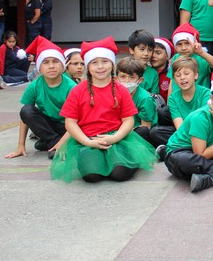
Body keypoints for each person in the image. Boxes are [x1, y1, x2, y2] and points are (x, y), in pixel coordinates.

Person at [50, 36, 157, 183]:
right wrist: (87, 141)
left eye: (105, 61)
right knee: (92, 176)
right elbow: (70, 123)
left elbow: (128, 121)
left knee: (119, 174)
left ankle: (130, 160)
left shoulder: (121, 90)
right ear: (88, 66)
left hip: (117, 139)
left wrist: (115, 138)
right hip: (87, 139)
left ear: (112, 64)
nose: (100, 66)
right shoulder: (77, 91)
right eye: (94, 62)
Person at [4, 36, 76, 159]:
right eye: (46, 62)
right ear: (39, 68)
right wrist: (21, 145)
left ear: (62, 65)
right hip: (49, 125)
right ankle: (54, 142)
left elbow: (78, 120)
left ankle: (55, 143)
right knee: (26, 110)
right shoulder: (35, 85)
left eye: (55, 61)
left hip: (69, 126)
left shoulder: (71, 87)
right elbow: (25, 117)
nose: (51, 66)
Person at [151, 56, 212, 155]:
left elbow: (204, 121)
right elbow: (180, 127)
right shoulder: (173, 98)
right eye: (178, 75)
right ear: (174, 79)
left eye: (186, 73)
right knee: (155, 132)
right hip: (185, 131)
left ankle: (175, 149)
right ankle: (187, 149)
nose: (182, 77)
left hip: (203, 132)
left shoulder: (206, 93)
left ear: (196, 75)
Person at [168, 23, 213, 91]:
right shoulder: (175, 58)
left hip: (199, 96)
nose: (183, 48)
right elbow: (172, 81)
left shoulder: (201, 57)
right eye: (179, 44)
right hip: (178, 96)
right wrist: (170, 98)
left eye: (187, 43)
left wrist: (201, 53)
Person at [116, 57, 158, 143]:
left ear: (140, 80)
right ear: (116, 78)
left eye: (132, 77)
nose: (127, 81)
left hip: (136, 133)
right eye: (123, 77)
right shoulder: (113, 94)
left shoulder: (145, 99)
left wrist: (120, 134)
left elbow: (146, 127)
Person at [128, 29, 159, 95]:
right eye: (142, 49)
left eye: (150, 50)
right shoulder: (123, 69)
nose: (146, 53)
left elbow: (155, 95)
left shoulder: (153, 73)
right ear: (131, 50)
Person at [152, 37, 174, 101]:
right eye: (151, 52)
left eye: (158, 53)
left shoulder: (172, 73)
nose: (153, 56)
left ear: (167, 56)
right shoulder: (146, 71)